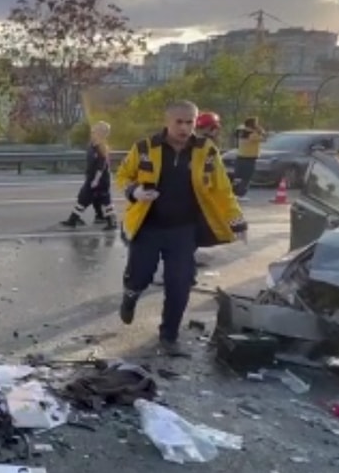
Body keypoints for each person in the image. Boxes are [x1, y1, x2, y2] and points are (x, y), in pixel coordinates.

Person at [115, 101, 247, 356]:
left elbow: (221, 188)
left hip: (183, 230)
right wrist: (135, 191)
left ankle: (169, 335)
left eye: (191, 122)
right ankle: (130, 296)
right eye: (180, 122)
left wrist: (236, 219)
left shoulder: (206, 150)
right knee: (139, 275)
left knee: (180, 283)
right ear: (167, 121)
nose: (185, 127)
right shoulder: (145, 148)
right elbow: (122, 175)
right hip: (148, 227)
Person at [60, 121, 118, 231]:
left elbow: (102, 166)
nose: (92, 133)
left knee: (104, 200)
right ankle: (73, 220)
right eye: (93, 131)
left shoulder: (102, 147)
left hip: (101, 179)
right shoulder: (92, 145)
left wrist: (96, 180)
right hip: (91, 177)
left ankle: (112, 221)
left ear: (101, 133)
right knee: (84, 197)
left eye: (95, 131)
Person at [232, 117, 265, 199]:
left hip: (240, 156)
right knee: (246, 177)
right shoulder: (253, 135)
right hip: (249, 158)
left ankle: (234, 193)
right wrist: (260, 129)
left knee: (238, 177)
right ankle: (241, 195)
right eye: (256, 123)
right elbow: (263, 137)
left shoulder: (240, 131)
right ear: (252, 125)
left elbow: (238, 129)